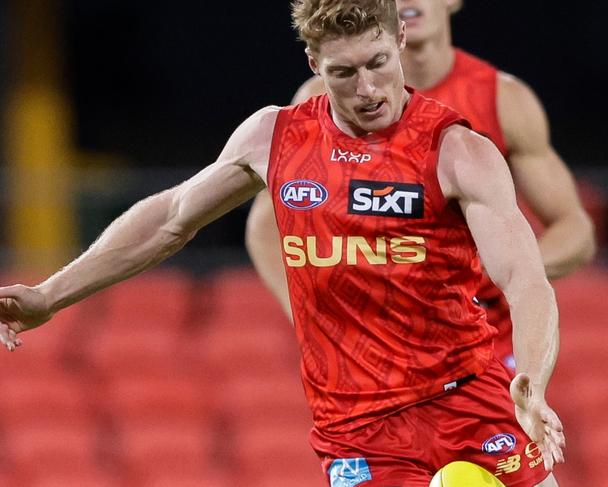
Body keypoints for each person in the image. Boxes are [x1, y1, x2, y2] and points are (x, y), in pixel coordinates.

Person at [0, 1, 565, 485]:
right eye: (344, 73)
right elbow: (170, 220)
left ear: (399, 40)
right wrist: (50, 296)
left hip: (471, 398)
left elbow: (524, 279)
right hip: (357, 427)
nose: (368, 89)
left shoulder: (458, 151)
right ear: (314, 64)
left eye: (378, 63)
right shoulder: (274, 137)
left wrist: (534, 383)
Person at [245, 0, 596, 373]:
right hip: (375, 351)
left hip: (486, 348)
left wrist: (509, 270)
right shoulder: (321, 99)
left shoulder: (502, 101)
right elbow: (266, 226)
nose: (409, 2)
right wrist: (310, 322)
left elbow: (574, 229)